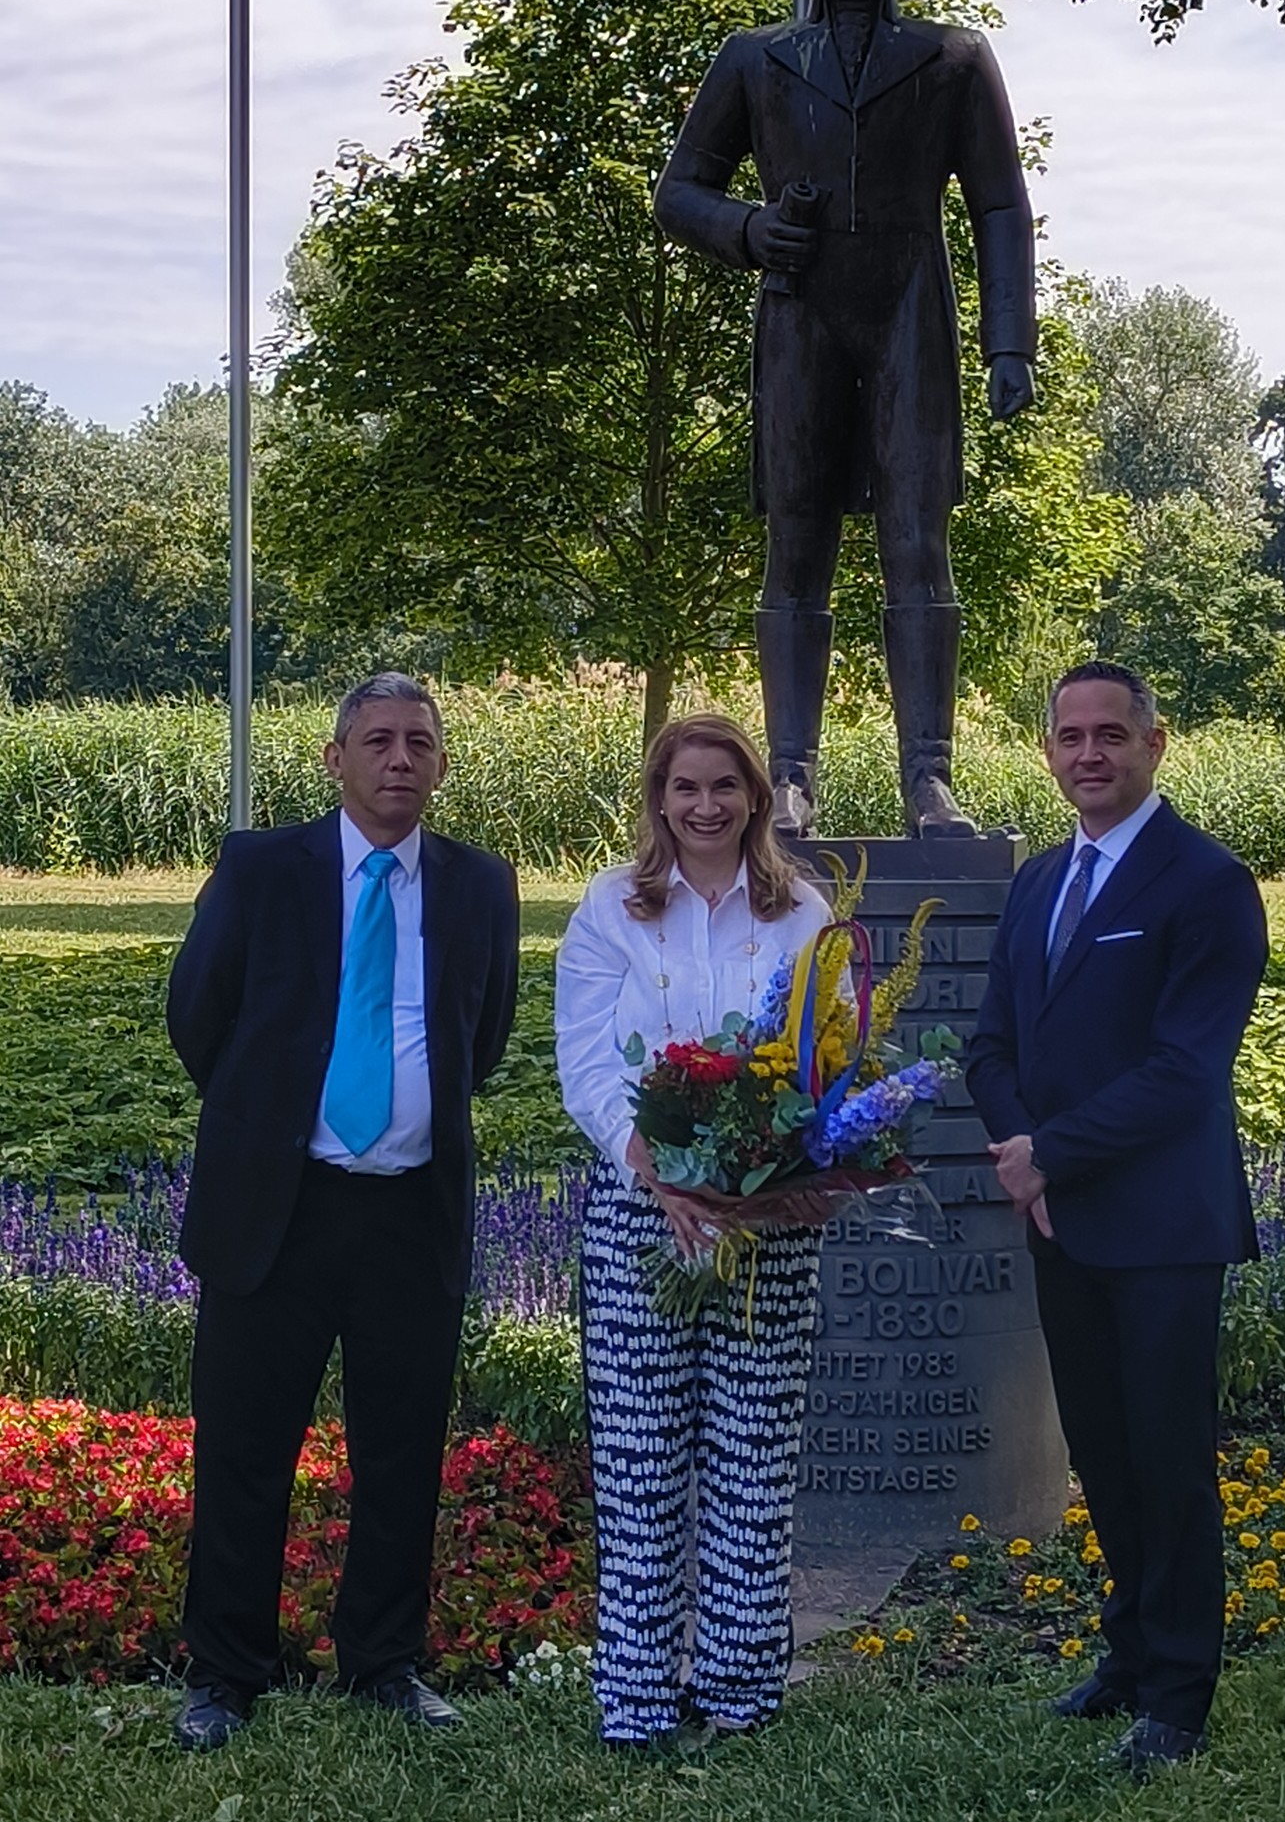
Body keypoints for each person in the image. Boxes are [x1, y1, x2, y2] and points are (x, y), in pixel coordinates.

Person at [165, 673, 519, 1750]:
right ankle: (224, 1674)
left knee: (402, 1451)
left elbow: (484, 1036)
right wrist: (268, 1118)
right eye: (377, 740)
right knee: (242, 1445)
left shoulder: (480, 886)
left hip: (411, 1214)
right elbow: (200, 1014)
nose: (399, 759)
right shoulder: (263, 868)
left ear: (443, 764)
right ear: (335, 759)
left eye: (419, 742)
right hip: (278, 1207)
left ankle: (383, 1664)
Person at [654, 0, 1036, 841]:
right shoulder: (754, 57)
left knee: (919, 542)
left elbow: (999, 205)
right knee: (798, 542)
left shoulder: (952, 59)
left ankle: (929, 782)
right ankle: (788, 780)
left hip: (910, 302)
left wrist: (1009, 343)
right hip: (800, 312)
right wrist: (748, 230)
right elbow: (678, 192)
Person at [967, 661, 1267, 1778]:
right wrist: (1021, 1156)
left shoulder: (1206, 882)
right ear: (1046, 750)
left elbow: (1186, 1071)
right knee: (1101, 1453)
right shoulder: (1041, 882)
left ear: (1154, 744)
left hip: (1163, 1230)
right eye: (1068, 736)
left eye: (1110, 735)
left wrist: (1050, 1154)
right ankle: (1130, 1656)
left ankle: (1180, 1695)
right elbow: (992, 1041)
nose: (1087, 754)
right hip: (1059, 1221)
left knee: (1167, 1460)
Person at [554, 713, 831, 1750]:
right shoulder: (611, 909)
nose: (705, 805)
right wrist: (656, 1170)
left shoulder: (799, 910)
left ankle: (738, 1696)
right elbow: (585, 1060)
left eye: (725, 786)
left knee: (753, 1470)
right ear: (657, 799)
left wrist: (785, 1176)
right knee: (639, 1466)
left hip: (766, 1222)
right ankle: (633, 1700)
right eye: (684, 788)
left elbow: (819, 1059)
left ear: (756, 797)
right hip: (641, 1214)